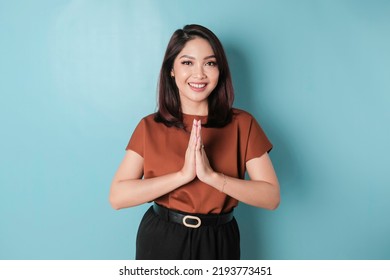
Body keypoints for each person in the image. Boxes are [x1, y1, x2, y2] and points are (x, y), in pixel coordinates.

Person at [109, 24, 280, 260]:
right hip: (161, 238)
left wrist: (212, 177)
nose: (199, 74)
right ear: (171, 69)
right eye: (187, 62)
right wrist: (183, 175)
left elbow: (271, 197)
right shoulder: (150, 126)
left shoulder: (243, 123)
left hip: (219, 240)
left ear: (220, 70)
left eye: (210, 63)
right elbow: (118, 197)